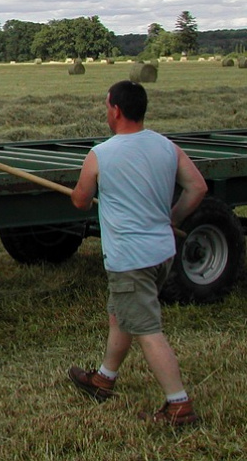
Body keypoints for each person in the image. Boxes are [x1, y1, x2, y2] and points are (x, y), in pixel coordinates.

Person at [68, 80, 207, 426]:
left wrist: (83, 191)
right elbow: (197, 187)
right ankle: (104, 379)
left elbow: (80, 200)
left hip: (131, 258)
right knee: (122, 314)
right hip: (161, 252)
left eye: (106, 106)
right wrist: (171, 218)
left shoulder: (101, 154)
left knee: (146, 328)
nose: (106, 112)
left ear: (115, 110)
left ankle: (178, 405)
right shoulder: (166, 146)